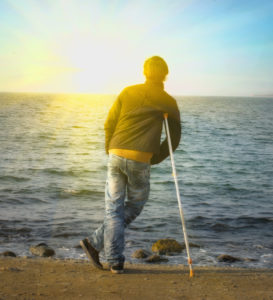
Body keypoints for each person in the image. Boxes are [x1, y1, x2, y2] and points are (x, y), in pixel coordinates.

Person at [80, 56, 181, 274]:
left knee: (114, 210)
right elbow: (174, 138)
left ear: (144, 72)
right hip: (139, 158)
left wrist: (110, 148)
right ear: (165, 75)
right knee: (133, 206)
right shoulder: (168, 101)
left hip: (116, 153)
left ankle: (94, 243)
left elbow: (110, 122)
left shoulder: (127, 92)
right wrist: (154, 157)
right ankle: (114, 260)